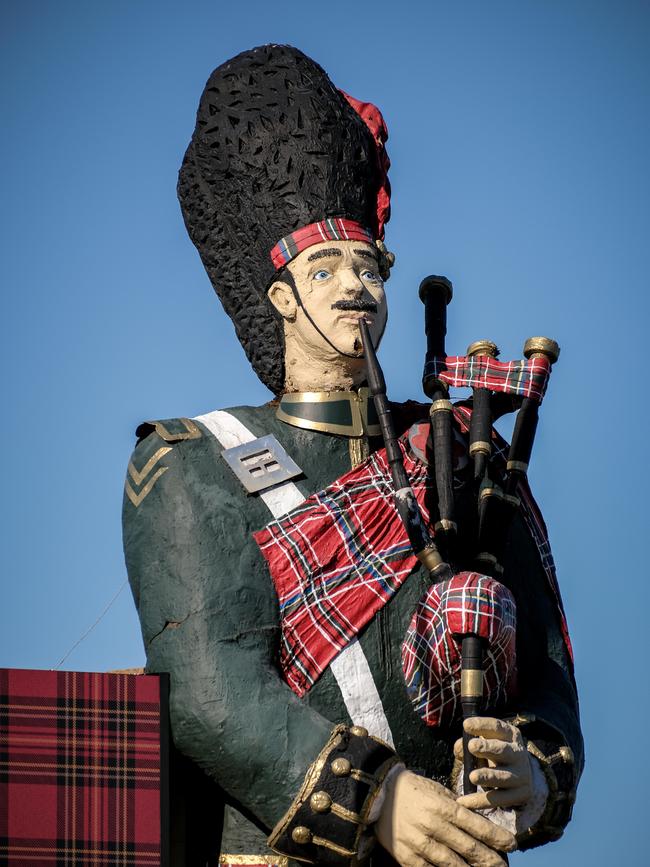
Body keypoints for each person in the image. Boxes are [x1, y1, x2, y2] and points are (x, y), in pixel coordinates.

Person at [123, 45, 582, 867]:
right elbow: (206, 686)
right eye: (325, 265)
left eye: (368, 266)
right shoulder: (189, 464)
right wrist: (378, 796)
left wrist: (537, 773)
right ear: (280, 298)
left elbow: (546, 667)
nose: (354, 287)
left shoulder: (465, 457)